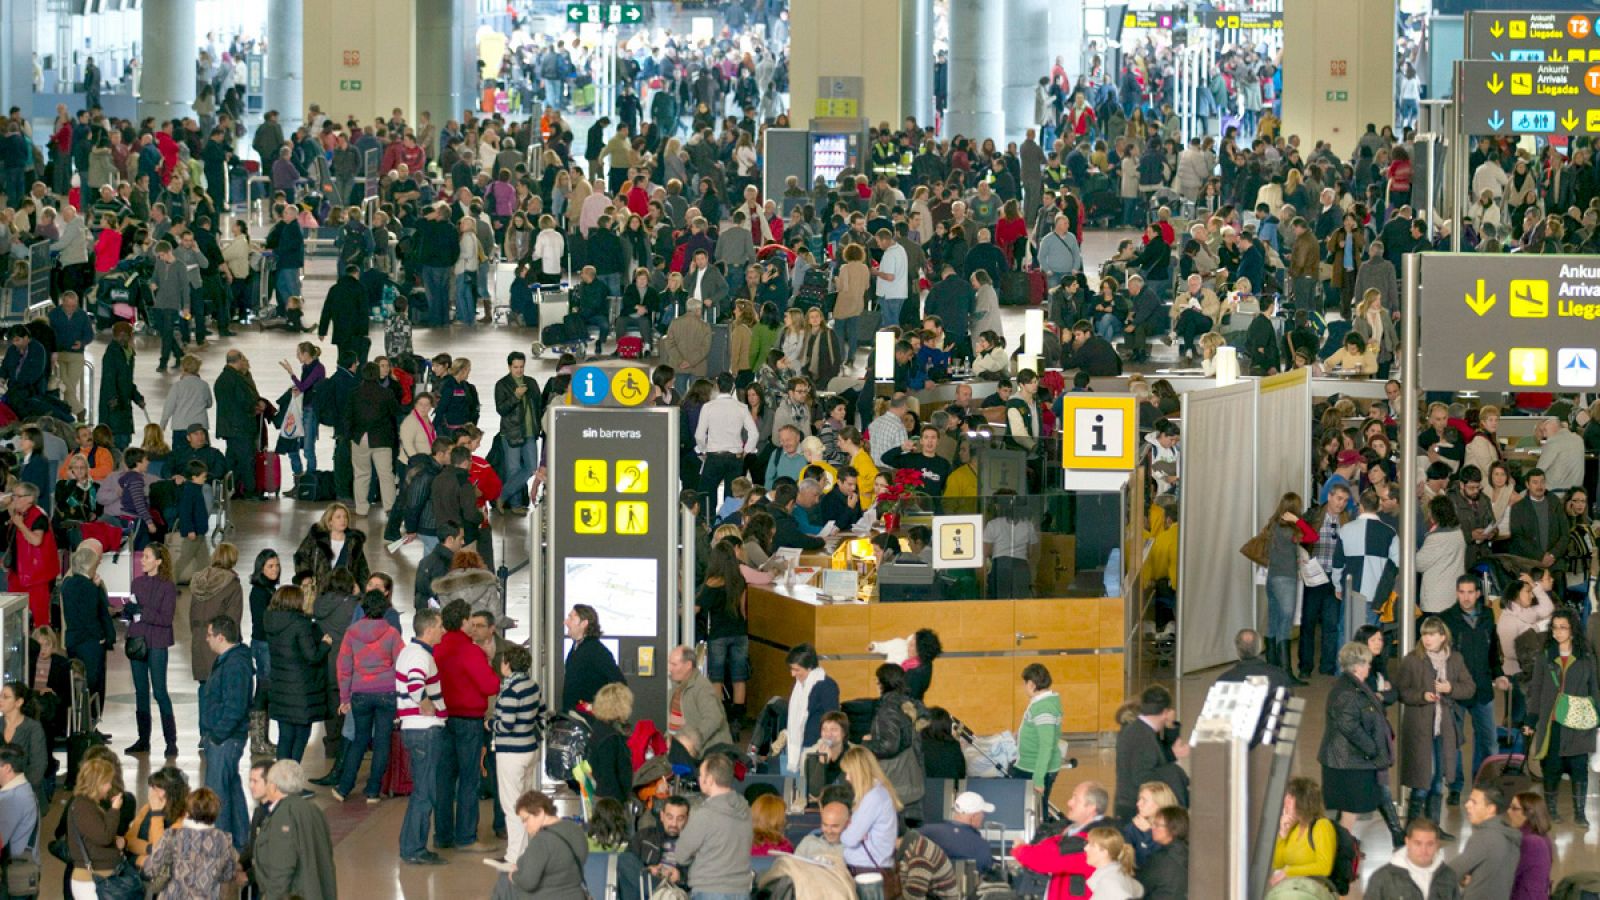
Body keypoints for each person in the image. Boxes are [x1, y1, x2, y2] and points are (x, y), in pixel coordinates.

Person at [1396, 616, 1476, 837]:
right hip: (1421, 729)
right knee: (1423, 780)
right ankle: (1411, 829)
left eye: (1431, 634)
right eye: (1424, 634)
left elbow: (1469, 688)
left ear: (1443, 637)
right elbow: (1401, 692)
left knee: (1438, 780)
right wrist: (1422, 695)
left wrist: (1450, 687)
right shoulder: (1412, 660)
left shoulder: (1455, 659)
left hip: (1444, 729)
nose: (1427, 638)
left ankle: (1432, 827)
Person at [434, 598, 501, 853]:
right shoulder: (470, 651)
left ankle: (442, 835)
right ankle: (465, 836)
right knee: (469, 779)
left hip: (442, 719)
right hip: (469, 721)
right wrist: (488, 662)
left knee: (445, 779)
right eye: (470, 621)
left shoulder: (438, 648)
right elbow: (490, 686)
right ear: (463, 622)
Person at [1320, 639, 1402, 846]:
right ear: (1357, 666)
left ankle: (1342, 850)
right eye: (1366, 663)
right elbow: (1349, 726)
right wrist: (1372, 748)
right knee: (1351, 809)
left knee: (1351, 810)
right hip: (1349, 761)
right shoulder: (1347, 692)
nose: (1369, 667)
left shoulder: (1353, 686)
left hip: (1353, 760)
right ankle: (1341, 855)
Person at [1440, 574, 1510, 808]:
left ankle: (1482, 785)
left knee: (1489, 741)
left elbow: (1493, 652)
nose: (1466, 597)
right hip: (1456, 690)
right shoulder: (1447, 619)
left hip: (1482, 689)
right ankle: (1455, 787)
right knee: (1453, 742)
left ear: (1478, 594)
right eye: (1462, 592)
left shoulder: (1489, 616)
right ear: (1456, 593)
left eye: (1471, 592)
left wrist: (1498, 673)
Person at [1523, 607, 1596, 825]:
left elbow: (1595, 689)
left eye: (1563, 628)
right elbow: (1536, 690)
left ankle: (1580, 814)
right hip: (1553, 722)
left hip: (1579, 722)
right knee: (1551, 767)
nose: (1558, 632)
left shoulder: (1586, 657)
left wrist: (1597, 715)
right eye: (1554, 628)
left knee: (1579, 768)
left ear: (1573, 630)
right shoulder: (1545, 657)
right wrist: (1531, 719)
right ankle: (1551, 811)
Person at [333, 590, 403, 804]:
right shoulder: (391, 633)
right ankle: (373, 790)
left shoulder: (352, 633)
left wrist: (345, 698)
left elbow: (343, 667)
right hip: (386, 693)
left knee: (359, 740)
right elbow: (401, 664)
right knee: (382, 741)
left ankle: (344, 788)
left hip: (360, 693)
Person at [658, 752, 753, 897]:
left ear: (709, 780)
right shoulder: (745, 811)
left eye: (701, 775)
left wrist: (699, 853)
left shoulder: (704, 815)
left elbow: (681, 855)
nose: (699, 779)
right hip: (742, 891)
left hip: (709, 890)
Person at [198, 614, 253, 849]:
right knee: (232, 788)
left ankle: (219, 847)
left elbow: (235, 706)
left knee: (217, 795)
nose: (206, 640)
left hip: (226, 738)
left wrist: (218, 734)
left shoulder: (234, 664)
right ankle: (241, 841)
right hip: (226, 736)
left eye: (209, 635)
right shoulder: (230, 659)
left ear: (221, 637)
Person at [252, 761, 338, 899]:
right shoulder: (313, 809)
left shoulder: (283, 815)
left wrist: (272, 896)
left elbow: (282, 867)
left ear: (273, 787)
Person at [264, 584, 331, 763]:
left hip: (280, 686)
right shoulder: (300, 624)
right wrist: (325, 644)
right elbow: (312, 656)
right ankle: (292, 782)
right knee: (301, 736)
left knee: (285, 737)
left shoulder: (269, 620)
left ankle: (280, 781)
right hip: (300, 688)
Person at [127, 544, 179, 758]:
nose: (142, 560)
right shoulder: (136, 583)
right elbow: (134, 615)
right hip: (137, 641)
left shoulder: (168, 587)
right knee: (140, 691)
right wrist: (128, 613)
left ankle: (171, 741)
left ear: (158, 561)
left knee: (159, 691)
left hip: (157, 643)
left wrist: (142, 612)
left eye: (147, 557)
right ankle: (143, 739)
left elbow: (166, 619)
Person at [140, 787, 238, 899]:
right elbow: (228, 874)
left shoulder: (172, 836)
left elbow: (151, 868)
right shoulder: (224, 840)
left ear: (187, 811)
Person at [490, 790, 589, 900]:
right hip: (575, 894)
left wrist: (513, 875)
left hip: (547, 895)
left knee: (504, 880)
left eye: (526, 819)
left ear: (540, 812)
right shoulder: (575, 829)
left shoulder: (541, 840)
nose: (525, 825)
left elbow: (527, 881)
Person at [1114, 685, 1190, 820]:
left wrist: (1170, 731)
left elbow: (1154, 760)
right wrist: (1172, 774)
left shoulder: (1140, 729)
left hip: (1131, 805)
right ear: (1165, 712)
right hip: (1135, 810)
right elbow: (1141, 775)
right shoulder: (1142, 736)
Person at [59, 543, 113, 717]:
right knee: (93, 684)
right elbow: (93, 615)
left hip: (73, 641)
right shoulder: (89, 587)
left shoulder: (67, 584)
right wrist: (101, 638)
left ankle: (81, 724)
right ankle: (91, 723)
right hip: (90, 643)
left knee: (77, 683)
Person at [65, 756, 128, 900]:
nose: (109, 787)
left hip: (97, 878)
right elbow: (104, 837)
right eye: (106, 782)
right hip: (91, 881)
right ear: (96, 783)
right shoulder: (83, 807)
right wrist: (114, 811)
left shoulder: (89, 805)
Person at [838, 746, 901, 883]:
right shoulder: (879, 793)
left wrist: (845, 831)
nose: (847, 778)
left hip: (866, 871)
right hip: (871, 867)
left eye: (849, 773)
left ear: (859, 772)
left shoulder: (873, 798)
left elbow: (850, 838)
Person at [1364, 818, 1461, 900]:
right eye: (1418, 843)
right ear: (1407, 842)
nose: (1424, 850)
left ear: (1437, 845)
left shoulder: (1448, 876)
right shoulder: (1382, 878)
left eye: (1430, 844)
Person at [1451, 786, 1522, 899]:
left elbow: (1450, 873)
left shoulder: (1485, 837)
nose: (1467, 805)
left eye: (1474, 802)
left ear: (1490, 809)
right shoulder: (1508, 834)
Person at [782, 643, 840, 780]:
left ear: (809, 667)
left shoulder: (826, 686)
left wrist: (826, 744)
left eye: (797, 670)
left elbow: (833, 718)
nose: (792, 674)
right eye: (791, 669)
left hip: (815, 748)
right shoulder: (801, 685)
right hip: (800, 744)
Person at [667, 644, 731, 764]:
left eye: (674, 664)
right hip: (689, 753)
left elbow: (714, 718)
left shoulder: (702, 687)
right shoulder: (675, 690)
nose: (670, 668)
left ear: (688, 666)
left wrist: (692, 740)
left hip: (710, 757)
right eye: (670, 663)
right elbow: (674, 725)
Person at [1269, 776, 1335, 887]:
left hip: (1313, 891)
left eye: (1291, 797)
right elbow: (1277, 864)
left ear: (1303, 801)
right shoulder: (1294, 828)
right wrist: (1282, 834)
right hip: (1291, 888)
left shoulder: (1322, 826)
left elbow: (1324, 867)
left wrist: (1289, 872)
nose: (1286, 802)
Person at [1014, 663, 1064, 803]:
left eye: (1024, 684)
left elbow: (1046, 745)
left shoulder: (1044, 707)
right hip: (1031, 765)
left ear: (1031, 684)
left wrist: (1038, 779)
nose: (1024, 687)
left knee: (1035, 810)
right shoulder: (1043, 703)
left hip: (1034, 768)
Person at [561, 604, 625, 711]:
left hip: (589, 721)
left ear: (584, 623)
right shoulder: (576, 647)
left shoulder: (596, 651)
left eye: (571, 618)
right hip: (575, 717)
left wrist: (597, 707)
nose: (566, 622)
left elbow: (619, 683)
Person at [124, 766, 187, 868]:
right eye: (153, 788)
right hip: (143, 864)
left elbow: (162, 851)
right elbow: (129, 840)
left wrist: (157, 814)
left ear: (174, 793)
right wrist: (149, 849)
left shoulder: (184, 817)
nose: (153, 794)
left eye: (159, 789)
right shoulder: (147, 808)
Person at [922, 791, 998, 874]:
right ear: (974, 817)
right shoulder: (981, 846)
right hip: (965, 885)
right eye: (982, 813)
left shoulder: (926, 832)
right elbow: (986, 873)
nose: (984, 816)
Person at [1506, 791, 1553, 900]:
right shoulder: (1542, 837)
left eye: (1514, 808)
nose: (1508, 812)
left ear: (1529, 813)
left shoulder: (1531, 842)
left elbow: (1507, 873)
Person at [1137, 806, 1189, 900]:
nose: (1152, 827)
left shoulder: (1161, 859)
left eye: (1157, 825)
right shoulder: (1187, 852)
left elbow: (1139, 888)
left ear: (1173, 829)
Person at [0, 744, 39, 867]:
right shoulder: (24, 789)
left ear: (7, 768)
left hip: (15, 873)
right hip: (24, 867)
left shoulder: (12, 798)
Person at [1082, 827, 1143, 899]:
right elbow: (1139, 890)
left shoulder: (1108, 881)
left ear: (1104, 852)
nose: (1085, 848)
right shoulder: (1117, 874)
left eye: (1092, 845)